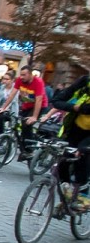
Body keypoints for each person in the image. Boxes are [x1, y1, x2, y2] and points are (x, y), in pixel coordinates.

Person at [51, 75, 90, 207]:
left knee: (83, 153)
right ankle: (67, 195)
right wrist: (76, 108)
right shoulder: (84, 82)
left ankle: (83, 196)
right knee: (64, 159)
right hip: (76, 128)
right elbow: (57, 100)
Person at [0, 65, 48, 159]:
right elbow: (12, 94)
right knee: (17, 122)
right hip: (27, 106)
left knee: (27, 124)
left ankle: (29, 151)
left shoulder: (38, 82)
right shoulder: (19, 80)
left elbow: (39, 100)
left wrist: (34, 117)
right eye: (21, 75)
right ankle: (23, 146)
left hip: (39, 106)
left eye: (24, 75)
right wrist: (4, 107)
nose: (22, 77)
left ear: (30, 74)